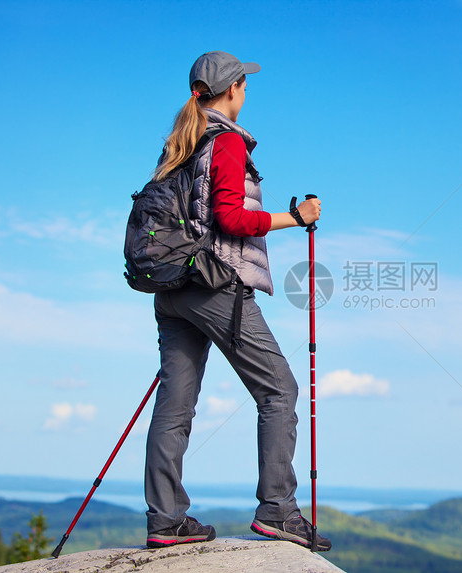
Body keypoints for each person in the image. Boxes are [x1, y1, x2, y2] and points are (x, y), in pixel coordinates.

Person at [143, 51, 331, 552]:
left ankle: (165, 519)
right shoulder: (224, 141)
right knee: (279, 390)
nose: (247, 94)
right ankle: (277, 510)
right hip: (214, 285)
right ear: (231, 91)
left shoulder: (177, 145)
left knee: (175, 404)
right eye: (245, 87)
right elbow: (230, 219)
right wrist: (297, 217)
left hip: (171, 289)